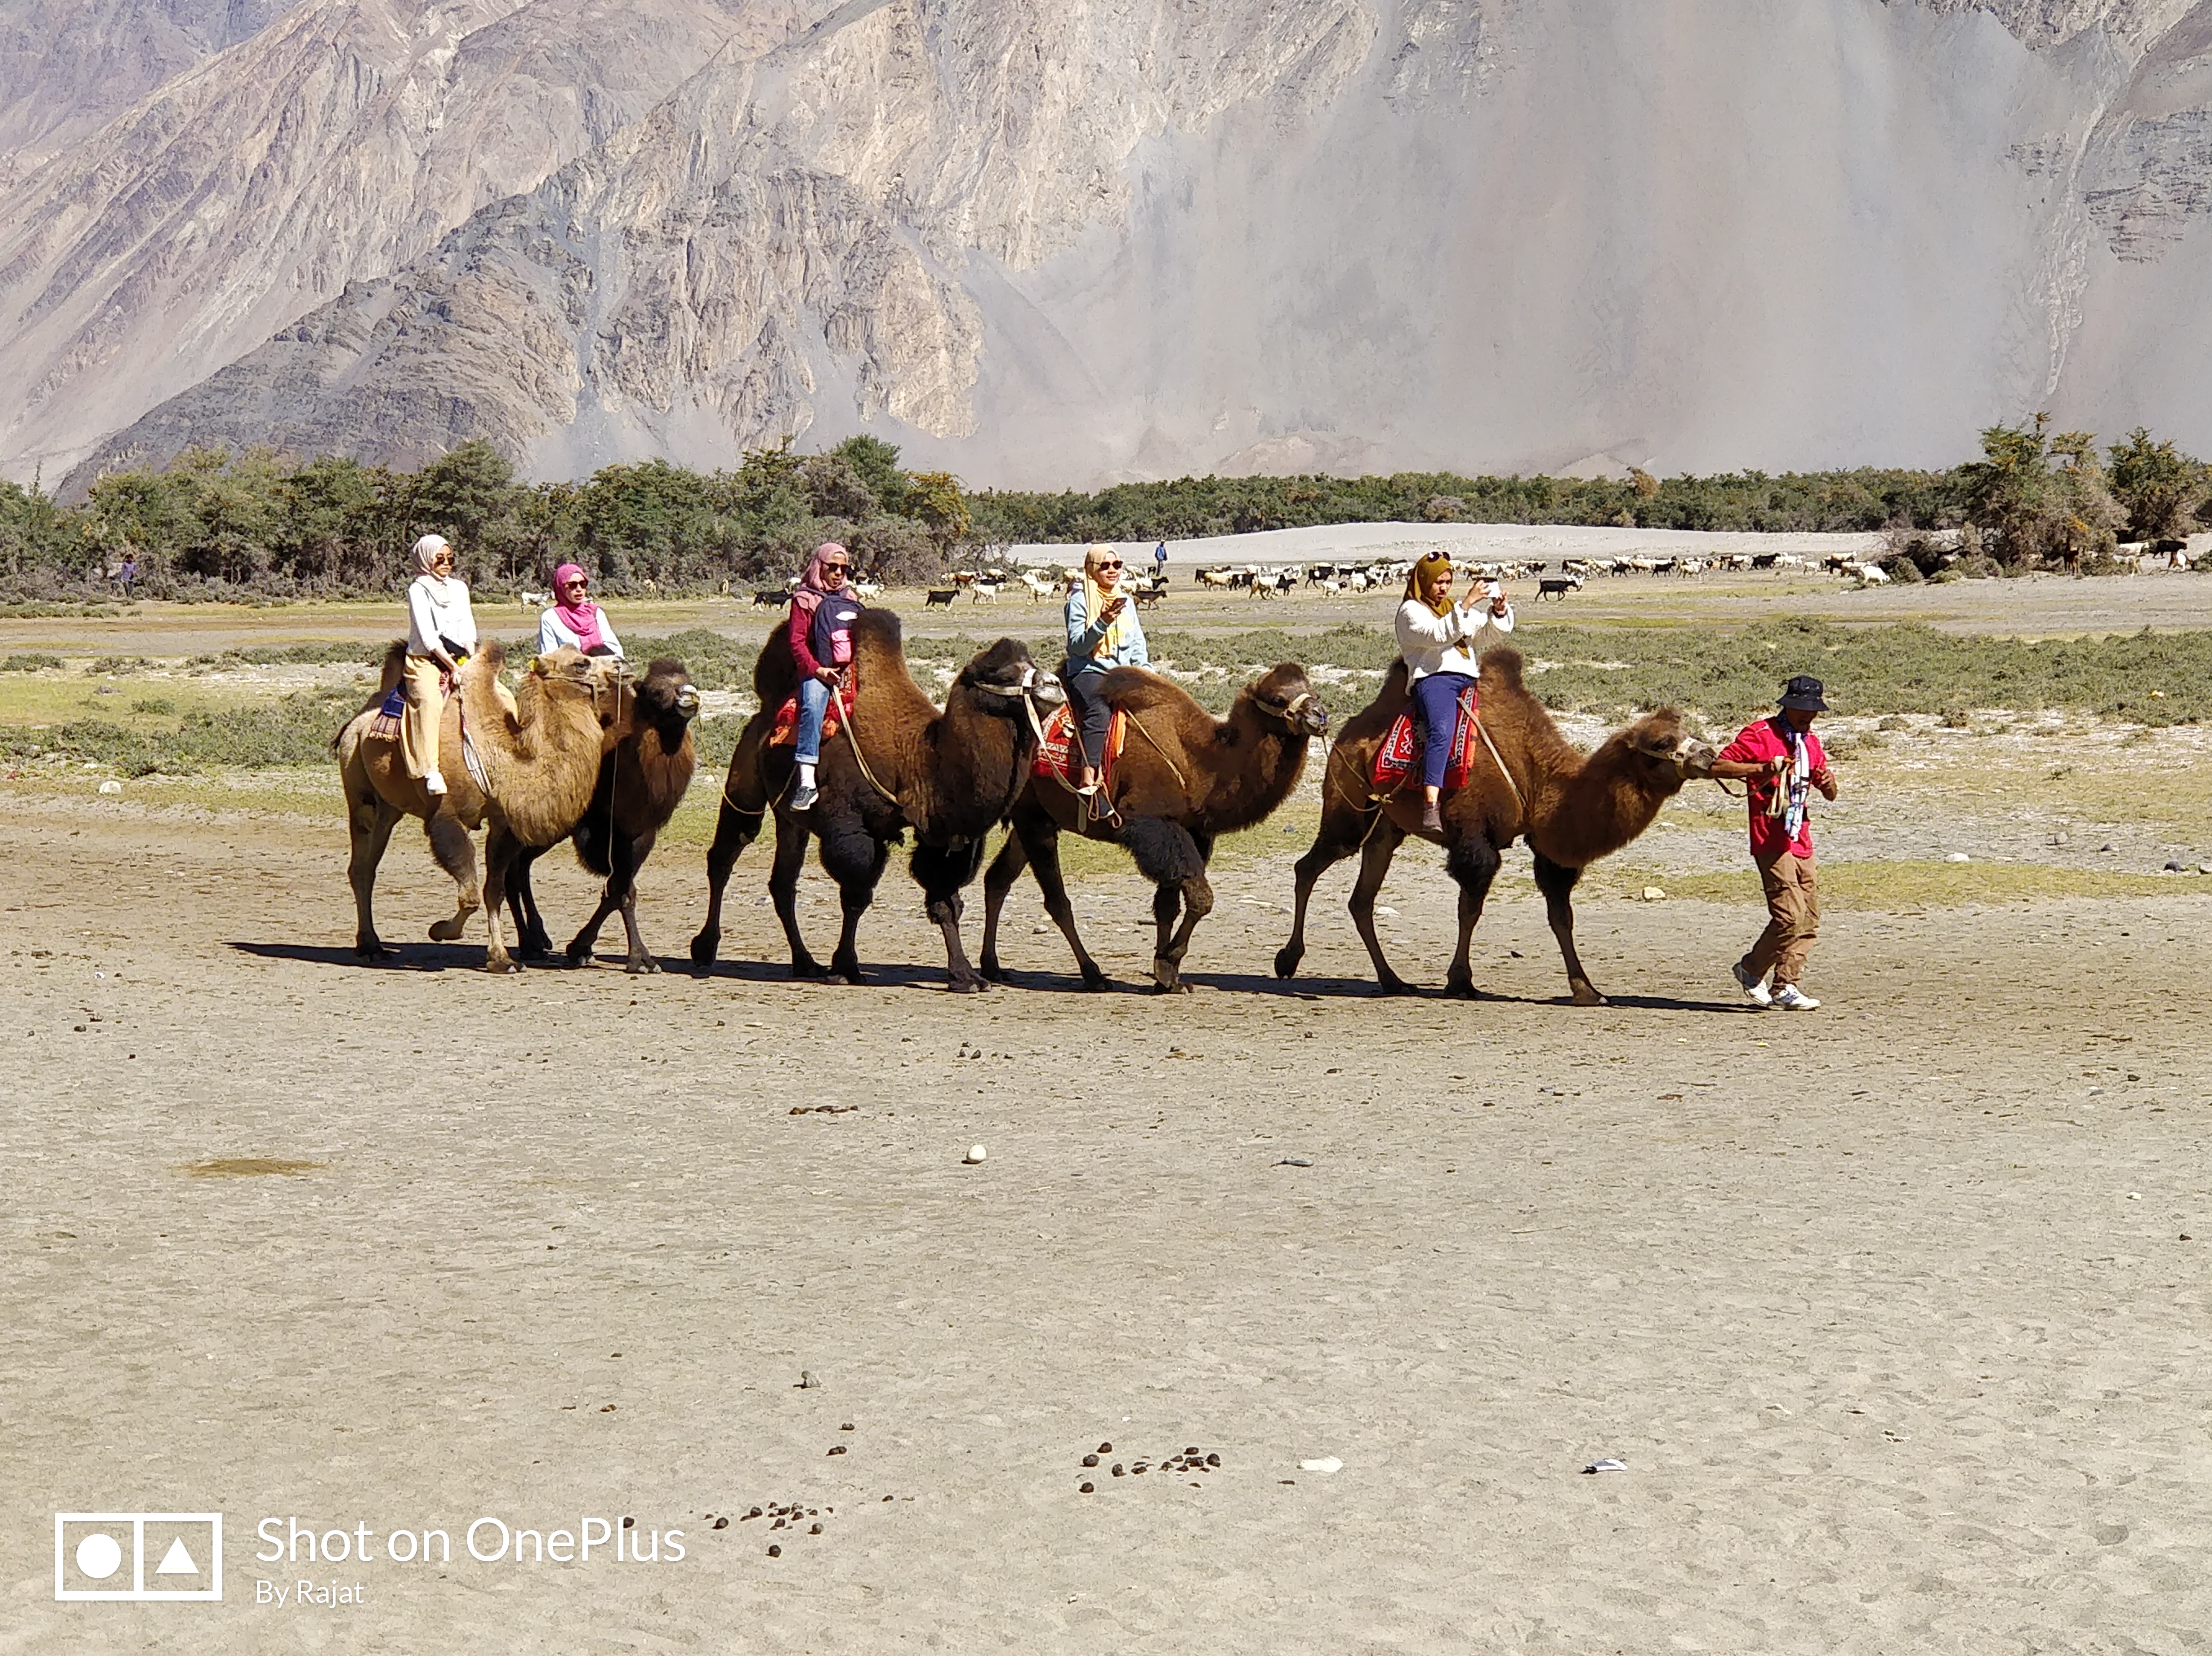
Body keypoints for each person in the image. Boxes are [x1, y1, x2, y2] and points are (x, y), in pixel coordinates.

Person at [1710, 674, 1839, 1011]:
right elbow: (1718, 766)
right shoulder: (1760, 734)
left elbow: (1832, 794)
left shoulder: (1811, 743)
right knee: (1789, 916)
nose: (1807, 716)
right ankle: (1752, 969)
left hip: (1800, 839)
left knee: (1809, 918)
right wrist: (1764, 768)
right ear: (1788, 705)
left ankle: (1786, 985)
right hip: (1771, 837)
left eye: (1813, 711)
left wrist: (1827, 783)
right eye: (1802, 709)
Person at [1394, 554, 1513, 833]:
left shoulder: (1452, 608)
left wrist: (1497, 612)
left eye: (1448, 582)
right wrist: (1468, 603)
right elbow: (1437, 635)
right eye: (1438, 582)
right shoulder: (1410, 611)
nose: (1444, 588)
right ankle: (1431, 805)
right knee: (1442, 731)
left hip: (1470, 676)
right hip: (1435, 679)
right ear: (1423, 581)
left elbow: (1483, 636)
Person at [1064, 542, 1149, 807]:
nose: (1113, 571)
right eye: (1105, 566)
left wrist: (1149, 677)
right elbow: (1077, 646)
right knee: (1099, 711)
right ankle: (1090, 781)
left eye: (1117, 565)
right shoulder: (1079, 602)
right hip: (1089, 673)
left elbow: (1137, 645)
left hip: (1122, 675)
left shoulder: (1126, 602)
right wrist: (1101, 622)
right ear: (1092, 569)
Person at [786, 542, 862, 811]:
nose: (839, 573)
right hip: (818, 670)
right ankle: (807, 783)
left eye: (844, 568)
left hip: (850, 669)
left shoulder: (850, 598)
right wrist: (818, 670)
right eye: (833, 567)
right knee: (812, 705)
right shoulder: (804, 599)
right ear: (821, 567)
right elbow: (797, 644)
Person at [401, 533, 478, 797]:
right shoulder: (418, 589)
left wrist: (469, 661)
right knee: (429, 702)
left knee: (499, 693)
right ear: (426, 561)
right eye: (439, 559)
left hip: (460, 659)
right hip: (425, 661)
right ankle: (431, 769)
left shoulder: (459, 588)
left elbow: (468, 627)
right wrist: (453, 667)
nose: (446, 564)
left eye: (450, 559)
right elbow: (428, 637)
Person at [538, 563, 624, 659]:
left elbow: (616, 651)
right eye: (572, 585)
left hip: (602, 669)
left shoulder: (596, 613)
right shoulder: (551, 618)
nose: (579, 589)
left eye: (583, 584)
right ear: (561, 587)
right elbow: (549, 658)